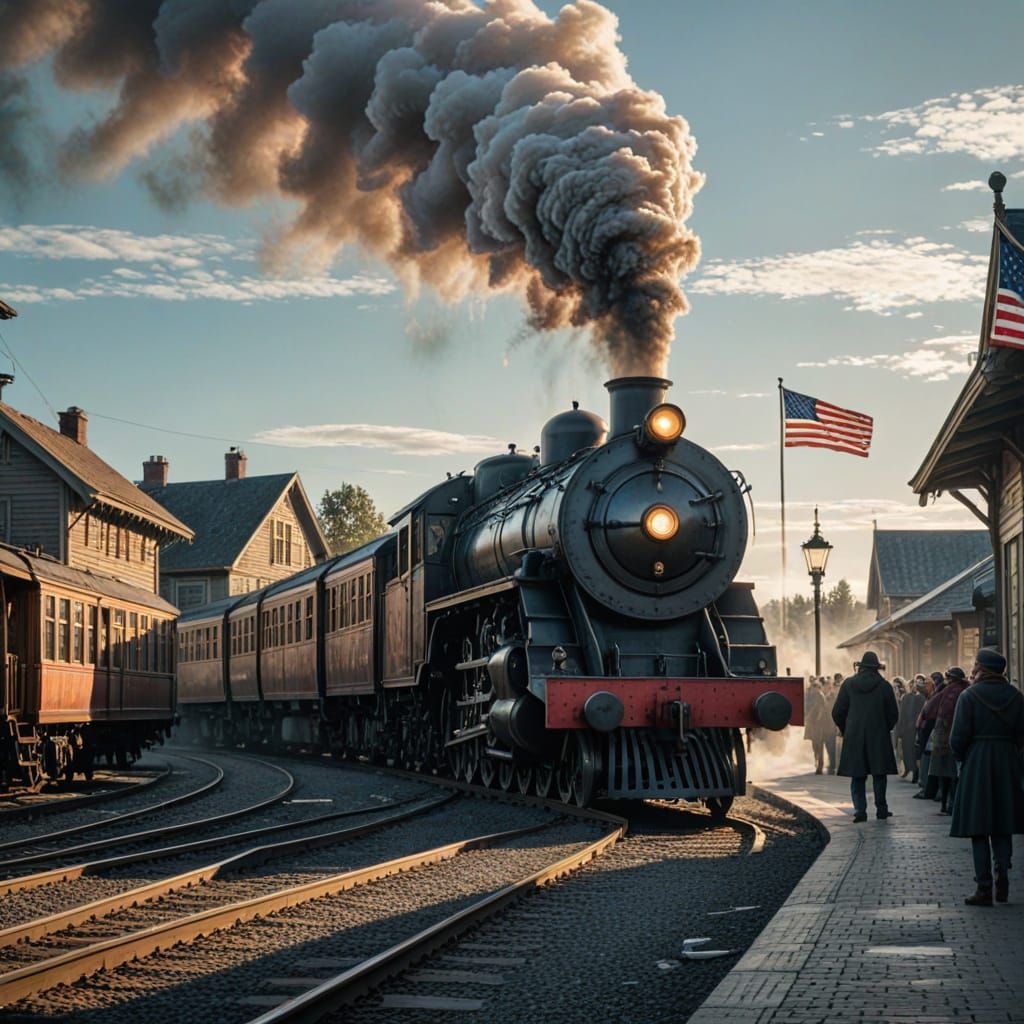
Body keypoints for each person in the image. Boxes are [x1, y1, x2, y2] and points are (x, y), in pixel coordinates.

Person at [949, 648, 1024, 906]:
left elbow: (957, 738)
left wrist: (964, 760)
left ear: (981, 669)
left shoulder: (968, 696)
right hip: (1007, 763)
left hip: (978, 762)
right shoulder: (1016, 697)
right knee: (1002, 825)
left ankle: (984, 888)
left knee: (978, 827)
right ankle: (1002, 873)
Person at [832, 651, 899, 822]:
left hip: (855, 735)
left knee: (858, 775)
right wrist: (884, 728)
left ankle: (860, 811)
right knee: (879, 774)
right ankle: (881, 809)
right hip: (878, 735)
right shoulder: (884, 686)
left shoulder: (848, 684)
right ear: (877, 667)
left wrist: (846, 729)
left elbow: (837, 712)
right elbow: (893, 714)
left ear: (860, 666)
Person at [928, 666, 968, 814]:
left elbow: (930, 708)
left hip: (943, 738)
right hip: (960, 736)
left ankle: (946, 805)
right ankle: (954, 803)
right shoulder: (966, 690)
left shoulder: (947, 691)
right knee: (956, 774)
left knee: (944, 773)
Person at [898, 678, 927, 783]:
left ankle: (915, 771)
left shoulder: (921, 698)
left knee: (914, 751)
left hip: (915, 728)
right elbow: (902, 714)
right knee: (907, 751)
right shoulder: (906, 698)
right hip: (908, 728)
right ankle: (910, 769)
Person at [803, 680, 830, 774]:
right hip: (813, 724)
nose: (813, 688)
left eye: (815, 686)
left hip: (818, 725)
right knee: (815, 746)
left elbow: (821, 710)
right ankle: (817, 763)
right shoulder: (813, 696)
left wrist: (817, 721)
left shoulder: (819, 695)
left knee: (819, 746)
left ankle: (820, 766)